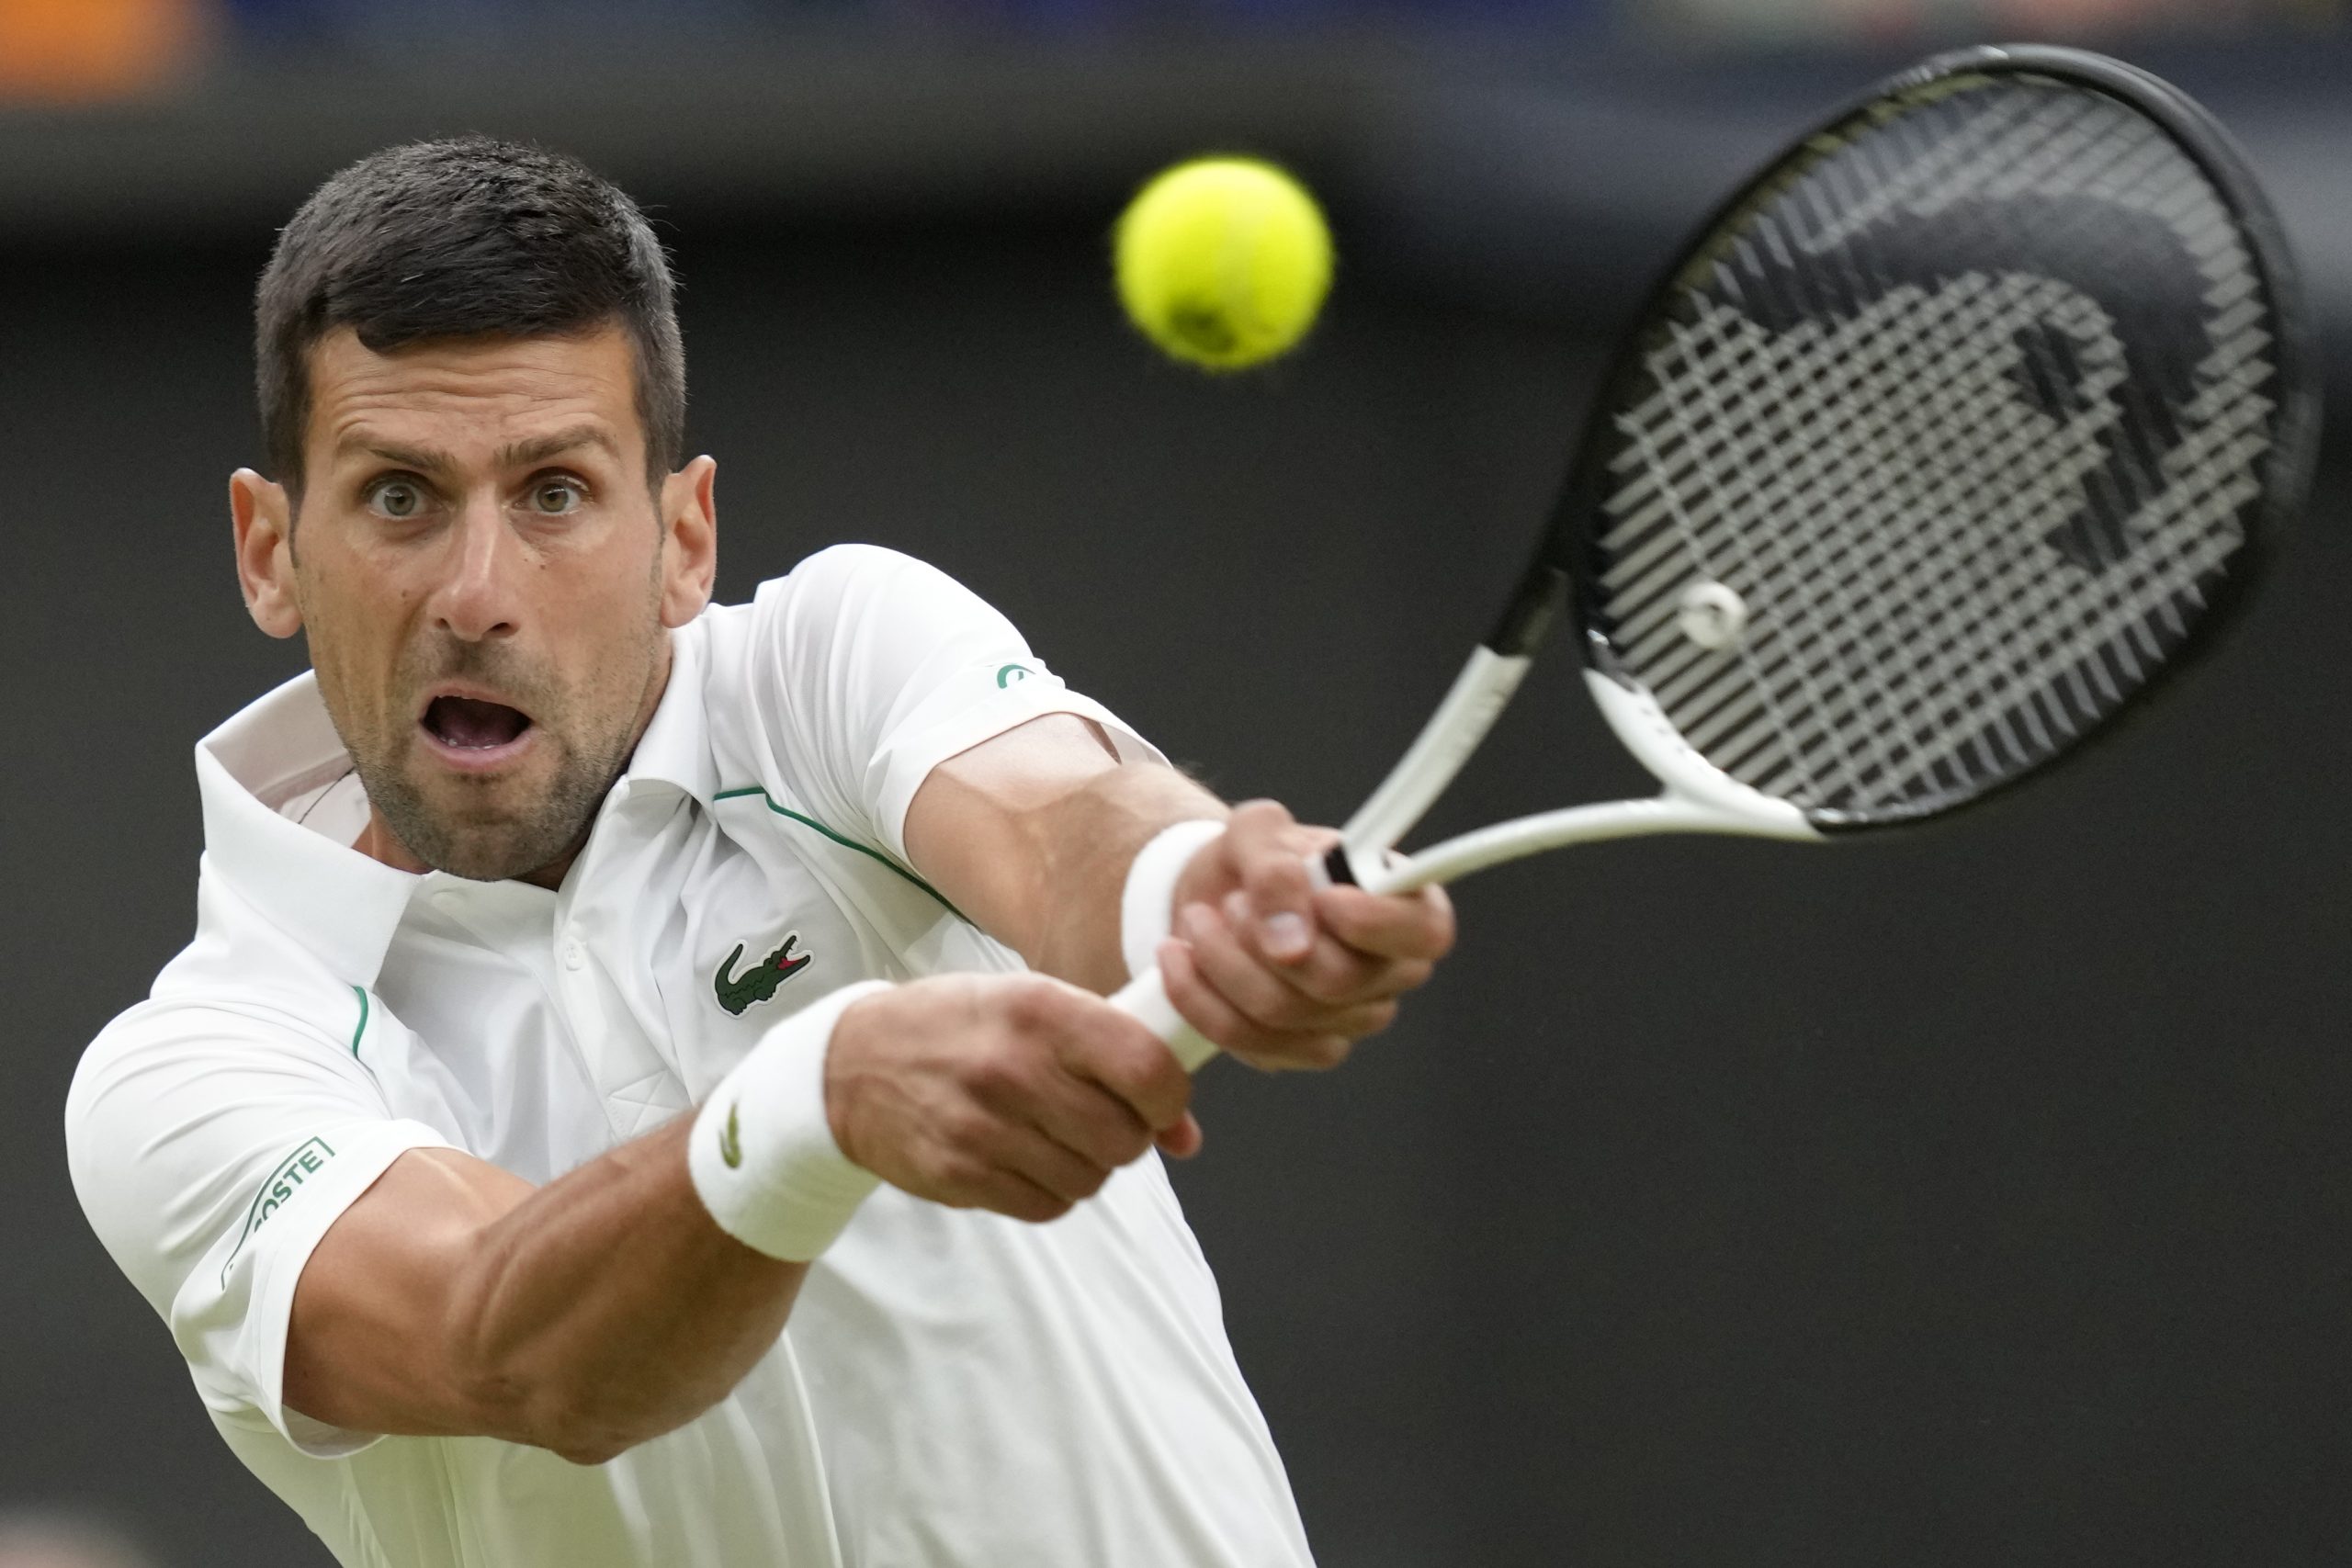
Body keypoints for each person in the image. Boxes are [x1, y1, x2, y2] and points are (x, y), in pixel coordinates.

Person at [63, 137, 1454, 1568]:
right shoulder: (196, 1072)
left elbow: (1059, 831)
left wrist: (1196, 895)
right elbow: (507, 1342)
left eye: (555, 493)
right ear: (270, 550)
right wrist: (813, 1102)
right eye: (400, 498)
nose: (477, 595)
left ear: (684, 539)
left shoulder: (828, 663)